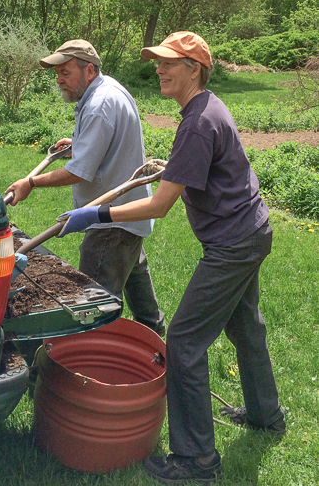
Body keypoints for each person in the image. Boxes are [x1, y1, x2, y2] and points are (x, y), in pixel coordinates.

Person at [55, 31, 285, 485]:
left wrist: (97, 212)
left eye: (168, 63)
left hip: (233, 244)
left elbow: (160, 205)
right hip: (251, 232)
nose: (158, 69)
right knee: (246, 326)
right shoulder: (204, 110)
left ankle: (196, 460)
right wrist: (172, 166)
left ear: (194, 69)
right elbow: (204, 167)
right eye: (157, 62)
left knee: (183, 342)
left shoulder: (199, 120)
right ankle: (266, 416)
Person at [5, 39, 166, 337]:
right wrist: (78, 143)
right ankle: (157, 344)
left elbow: (78, 172)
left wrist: (31, 182)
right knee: (142, 300)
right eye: (57, 73)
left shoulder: (98, 105)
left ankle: (91, 363)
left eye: (65, 72)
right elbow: (106, 141)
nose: (59, 80)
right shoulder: (110, 90)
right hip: (129, 217)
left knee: (89, 309)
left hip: (110, 224)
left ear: (89, 70)